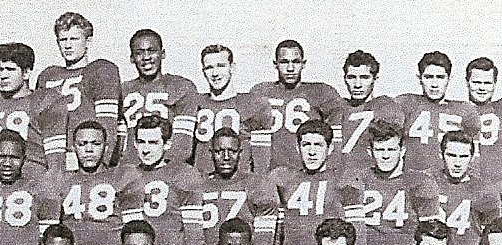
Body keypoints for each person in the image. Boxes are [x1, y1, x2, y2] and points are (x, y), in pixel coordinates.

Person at [343, 120, 440, 245]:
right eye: (380, 150)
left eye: (391, 149)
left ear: (402, 151)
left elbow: (433, 238)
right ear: (370, 151)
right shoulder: (357, 179)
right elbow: (352, 231)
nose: (386, 156)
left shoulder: (421, 182)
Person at [272, 119, 364, 245]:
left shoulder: (342, 179)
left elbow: (358, 233)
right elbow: (277, 233)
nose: (312, 152)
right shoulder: (284, 179)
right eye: (306, 145)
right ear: (298, 147)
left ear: (330, 148)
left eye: (319, 145)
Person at [0, 42, 69, 174]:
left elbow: (56, 161)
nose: (3, 75)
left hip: (32, 180)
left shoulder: (44, 100)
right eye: (0, 69)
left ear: (26, 73)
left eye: (10, 69)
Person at [37, 12, 122, 169]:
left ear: (87, 40)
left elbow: (108, 125)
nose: (68, 45)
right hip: (52, 158)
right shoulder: (47, 76)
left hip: (85, 157)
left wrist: (102, 164)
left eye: (74, 39)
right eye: (63, 39)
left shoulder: (102, 71)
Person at [56, 121, 140, 245]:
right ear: (74, 147)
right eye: (82, 144)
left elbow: (133, 228)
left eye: (95, 143)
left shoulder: (120, 176)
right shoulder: (62, 181)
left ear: (106, 147)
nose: (89, 150)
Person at [120, 115, 204, 245]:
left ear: (167, 144)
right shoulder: (127, 175)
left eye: (153, 143)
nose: (145, 150)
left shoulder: (184, 174)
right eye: (141, 142)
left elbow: (194, 232)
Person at [249, 39, 346, 173]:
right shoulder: (260, 92)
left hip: (306, 173)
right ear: (275, 64)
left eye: (295, 62)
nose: (290, 68)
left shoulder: (321, 92)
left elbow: (334, 140)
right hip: (268, 173)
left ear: (303, 63)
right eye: (284, 62)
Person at [191, 44, 273, 175]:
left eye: (221, 66)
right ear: (203, 71)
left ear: (232, 67)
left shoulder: (254, 103)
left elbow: (262, 160)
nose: (215, 73)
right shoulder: (194, 103)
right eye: (209, 68)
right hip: (202, 183)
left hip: (239, 183)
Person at [200, 128, 278, 245]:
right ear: (211, 153)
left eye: (232, 151)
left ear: (240, 153)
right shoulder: (199, 185)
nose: (226, 157)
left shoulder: (258, 184)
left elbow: (264, 241)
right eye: (219, 151)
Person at [120, 29, 198, 166]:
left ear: (162, 54)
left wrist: (161, 170)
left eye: (151, 51)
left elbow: (182, 146)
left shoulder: (181, 87)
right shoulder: (122, 90)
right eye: (139, 53)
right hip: (130, 171)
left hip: (167, 170)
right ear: (131, 58)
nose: (146, 57)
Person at [393, 51, 479, 172]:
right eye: (428, 77)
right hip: (412, 179)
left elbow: (474, 156)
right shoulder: (406, 103)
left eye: (440, 77)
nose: (434, 84)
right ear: (419, 78)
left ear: (449, 78)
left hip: (448, 181)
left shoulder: (465, 110)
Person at [332, 50, 403, 174]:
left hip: (370, 179)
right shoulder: (335, 107)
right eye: (351, 77)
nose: (357, 84)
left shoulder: (386, 107)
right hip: (336, 177)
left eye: (364, 77)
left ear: (375, 78)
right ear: (344, 79)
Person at [432, 130, 494, 245]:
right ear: (441, 155)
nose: (457, 163)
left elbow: (493, 235)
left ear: (472, 157)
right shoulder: (427, 183)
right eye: (451, 155)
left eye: (463, 156)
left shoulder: (484, 191)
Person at [463, 57, 502, 182]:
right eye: (476, 82)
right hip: (466, 186)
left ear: (495, 83)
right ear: (467, 82)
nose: (482, 88)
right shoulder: (458, 111)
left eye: (487, 83)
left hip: (499, 185)